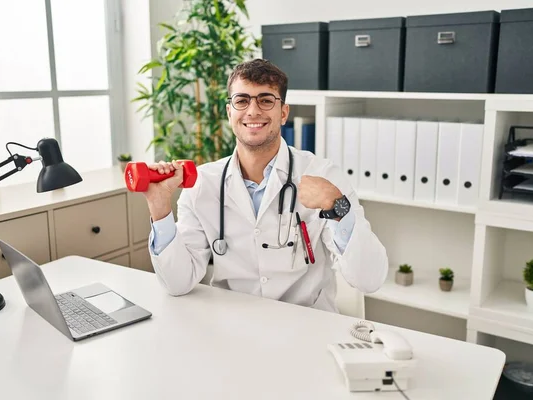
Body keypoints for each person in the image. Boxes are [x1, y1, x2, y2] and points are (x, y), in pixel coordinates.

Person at [143, 59, 388, 313]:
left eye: (266, 100)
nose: (252, 111)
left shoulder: (324, 176)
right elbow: (177, 283)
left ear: (283, 113)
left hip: (307, 328)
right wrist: (159, 206)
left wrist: (337, 207)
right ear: (230, 113)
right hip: (234, 327)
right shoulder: (203, 184)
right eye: (242, 100)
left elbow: (369, 280)